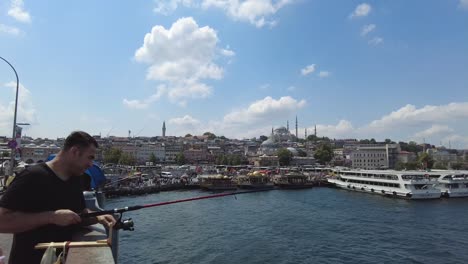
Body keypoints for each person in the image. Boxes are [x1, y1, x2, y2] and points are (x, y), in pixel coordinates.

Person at [0, 131, 116, 263]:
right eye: (90, 157)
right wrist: (51, 217)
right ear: (75, 152)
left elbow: (78, 215)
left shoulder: (77, 179)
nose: (91, 164)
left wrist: (97, 217)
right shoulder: (32, 176)